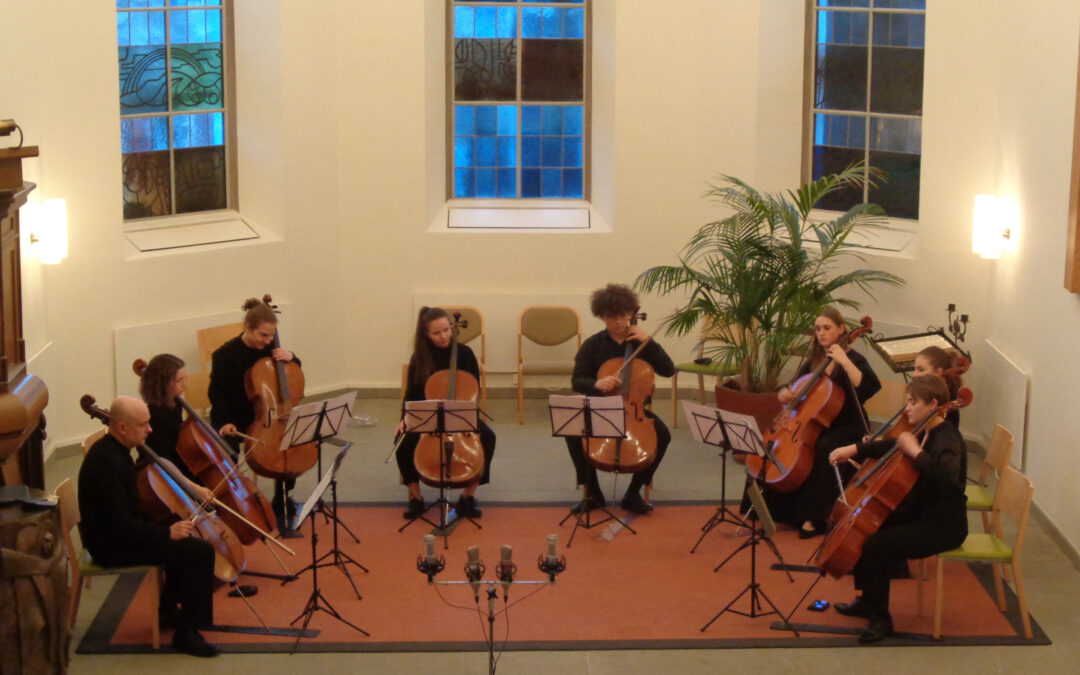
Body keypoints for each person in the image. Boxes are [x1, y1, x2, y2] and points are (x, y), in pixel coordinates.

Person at [827, 374, 968, 643]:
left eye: (913, 403)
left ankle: (881, 619)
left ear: (933, 404)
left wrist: (915, 453)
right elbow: (894, 445)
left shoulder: (948, 439)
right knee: (868, 528)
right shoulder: (926, 431)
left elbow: (947, 483)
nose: (907, 409)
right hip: (922, 513)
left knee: (876, 545)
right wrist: (855, 449)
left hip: (944, 525)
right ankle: (869, 601)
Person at [78, 397, 220, 657]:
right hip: (110, 547)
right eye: (143, 424)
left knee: (183, 545)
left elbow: (128, 516)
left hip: (118, 534)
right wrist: (167, 532)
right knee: (199, 552)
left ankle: (167, 611)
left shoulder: (117, 452)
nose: (150, 430)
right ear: (121, 427)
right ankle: (187, 633)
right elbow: (122, 527)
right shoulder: (107, 464)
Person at [764, 307, 881, 538]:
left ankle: (814, 517)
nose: (821, 333)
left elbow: (869, 387)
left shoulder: (855, 359)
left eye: (827, 328)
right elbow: (791, 387)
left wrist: (844, 361)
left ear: (841, 329)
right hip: (817, 424)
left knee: (823, 447)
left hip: (849, 427)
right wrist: (785, 393)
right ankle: (780, 511)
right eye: (818, 329)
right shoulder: (816, 360)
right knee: (779, 447)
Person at [565, 283, 675, 515]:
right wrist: (596, 383)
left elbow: (668, 369)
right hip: (602, 407)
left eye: (623, 315)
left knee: (663, 435)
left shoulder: (642, 343)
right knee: (574, 432)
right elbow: (577, 381)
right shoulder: (592, 345)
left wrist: (649, 342)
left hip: (636, 410)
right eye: (611, 316)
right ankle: (593, 492)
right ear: (601, 316)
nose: (618, 321)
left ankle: (633, 493)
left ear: (630, 314)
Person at [209, 297, 300, 534]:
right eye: (264, 335)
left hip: (268, 416)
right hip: (235, 416)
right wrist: (223, 422)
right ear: (248, 328)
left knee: (290, 441)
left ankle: (282, 497)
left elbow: (292, 373)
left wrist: (293, 357)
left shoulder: (271, 349)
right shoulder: (224, 355)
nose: (269, 341)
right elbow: (216, 393)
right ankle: (233, 503)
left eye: (272, 336)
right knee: (225, 450)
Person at [394, 306, 496, 519]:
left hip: (460, 412)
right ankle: (415, 498)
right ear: (426, 335)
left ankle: (468, 497)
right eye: (437, 333)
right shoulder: (420, 358)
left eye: (447, 329)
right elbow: (411, 393)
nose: (444, 336)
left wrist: (464, 404)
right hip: (429, 414)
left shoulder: (465, 354)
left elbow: (473, 389)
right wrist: (405, 418)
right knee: (402, 439)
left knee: (488, 437)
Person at [139, 353, 197, 482]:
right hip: (164, 475)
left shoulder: (175, 405)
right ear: (162, 384)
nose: (185, 384)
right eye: (178, 380)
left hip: (177, 466)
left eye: (184, 378)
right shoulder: (155, 417)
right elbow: (164, 461)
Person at [912, 345, 963, 426]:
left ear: (938, 373)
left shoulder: (947, 408)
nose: (914, 374)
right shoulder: (925, 394)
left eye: (921, 370)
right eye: (914, 369)